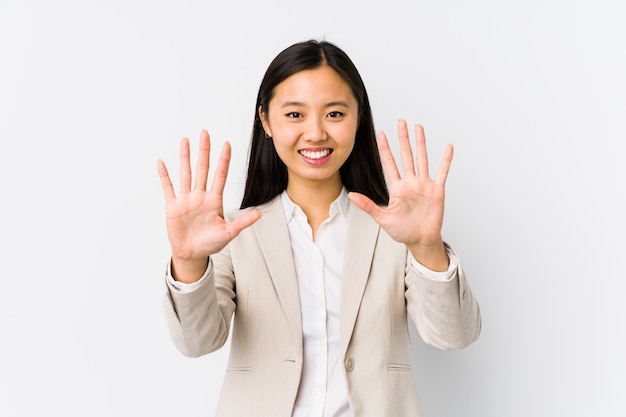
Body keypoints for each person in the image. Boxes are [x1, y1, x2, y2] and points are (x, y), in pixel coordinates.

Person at [157, 39, 481, 417]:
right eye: (295, 115)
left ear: (359, 118)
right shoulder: (236, 233)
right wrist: (189, 261)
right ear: (266, 121)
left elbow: (453, 335)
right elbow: (197, 342)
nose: (315, 133)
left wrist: (428, 248)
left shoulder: (394, 229)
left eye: (334, 114)